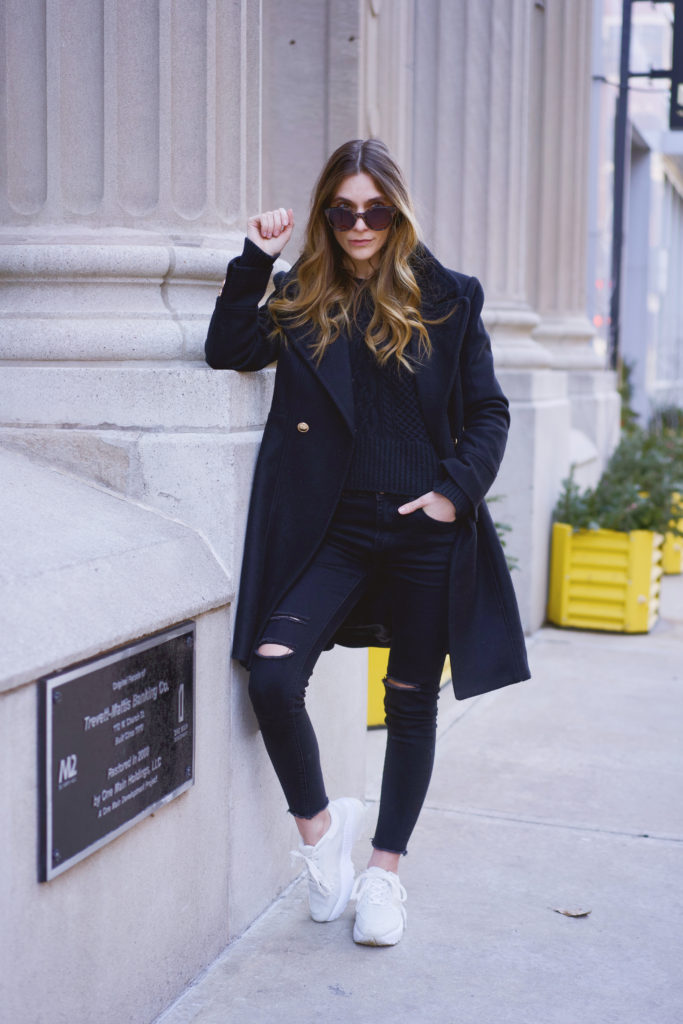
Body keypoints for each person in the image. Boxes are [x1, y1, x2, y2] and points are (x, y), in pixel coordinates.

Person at [205, 138, 529, 947]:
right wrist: (254, 258)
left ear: (396, 211)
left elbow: (488, 411)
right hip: (333, 530)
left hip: (424, 529)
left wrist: (454, 495)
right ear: (325, 214)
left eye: (373, 211)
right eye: (342, 211)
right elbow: (227, 349)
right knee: (273, 679)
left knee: (411, 700)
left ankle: (384, 876)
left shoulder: (449, 298)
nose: (358, 225)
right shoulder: (303, 295)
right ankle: (322, 841)